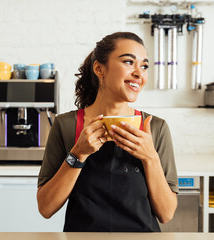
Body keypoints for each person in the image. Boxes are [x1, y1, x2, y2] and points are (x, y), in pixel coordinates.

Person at [37, 32, 178, 232]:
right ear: (99, 68)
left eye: (144, 66)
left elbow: (166, 214)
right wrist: (78, 154)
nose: (140, 73)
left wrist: (150, 158)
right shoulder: (66, 125)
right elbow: (46, 207)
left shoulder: (155, 127)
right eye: (129, 62)